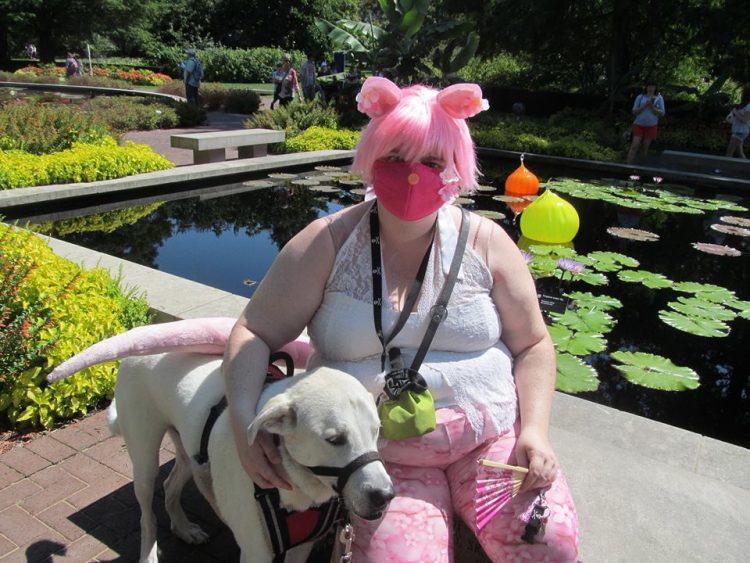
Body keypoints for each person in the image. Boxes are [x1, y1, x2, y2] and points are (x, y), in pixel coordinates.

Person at [223, 76, 579, 562]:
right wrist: (246, 426)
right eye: (395, 158)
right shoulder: (325, 243)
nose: (413, 175)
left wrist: (534, 430)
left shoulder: (488, 243)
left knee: (549, 547)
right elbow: (254, 332)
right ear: (372, 158)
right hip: (380, 458)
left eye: (433, 162)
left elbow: (535, 344)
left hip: (490, 440)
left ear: (455, 167)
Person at [626, 80, 665, 164]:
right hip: (639, 124)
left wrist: (652, 107)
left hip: (651, 125)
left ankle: (641, 165)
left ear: (655, 88)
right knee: (635, 145)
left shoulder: (659, 98)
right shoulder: (640, 97)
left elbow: (662, 113)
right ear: (646, 87)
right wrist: (644, 105)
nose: (651, 88)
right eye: (649, 86)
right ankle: (627, 165)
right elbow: (634, 111)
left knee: (645, 147)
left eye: (653, 87)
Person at [725, 89, 750, 159]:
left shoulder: (749, 105)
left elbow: (745, 120)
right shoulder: (745, 105)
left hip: (740, 132)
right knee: (740, 152)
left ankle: (723, 168)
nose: (741, 95)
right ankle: (746, 168)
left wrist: (735, 112)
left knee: (729, 152)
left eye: (742, 93)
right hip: (738, 130)